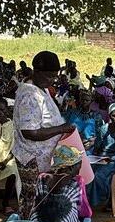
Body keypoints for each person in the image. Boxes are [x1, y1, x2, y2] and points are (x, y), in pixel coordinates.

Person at [12, 51, 77, 205]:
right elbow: (30, 132)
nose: (52, 80)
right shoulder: (30, 95)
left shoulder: (41, 88)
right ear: (37, 72)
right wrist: (61, 129)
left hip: (44, 161)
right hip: (32, 161)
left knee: (45, 203)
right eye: (49, 76)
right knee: (34, 203)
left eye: (54, 76)